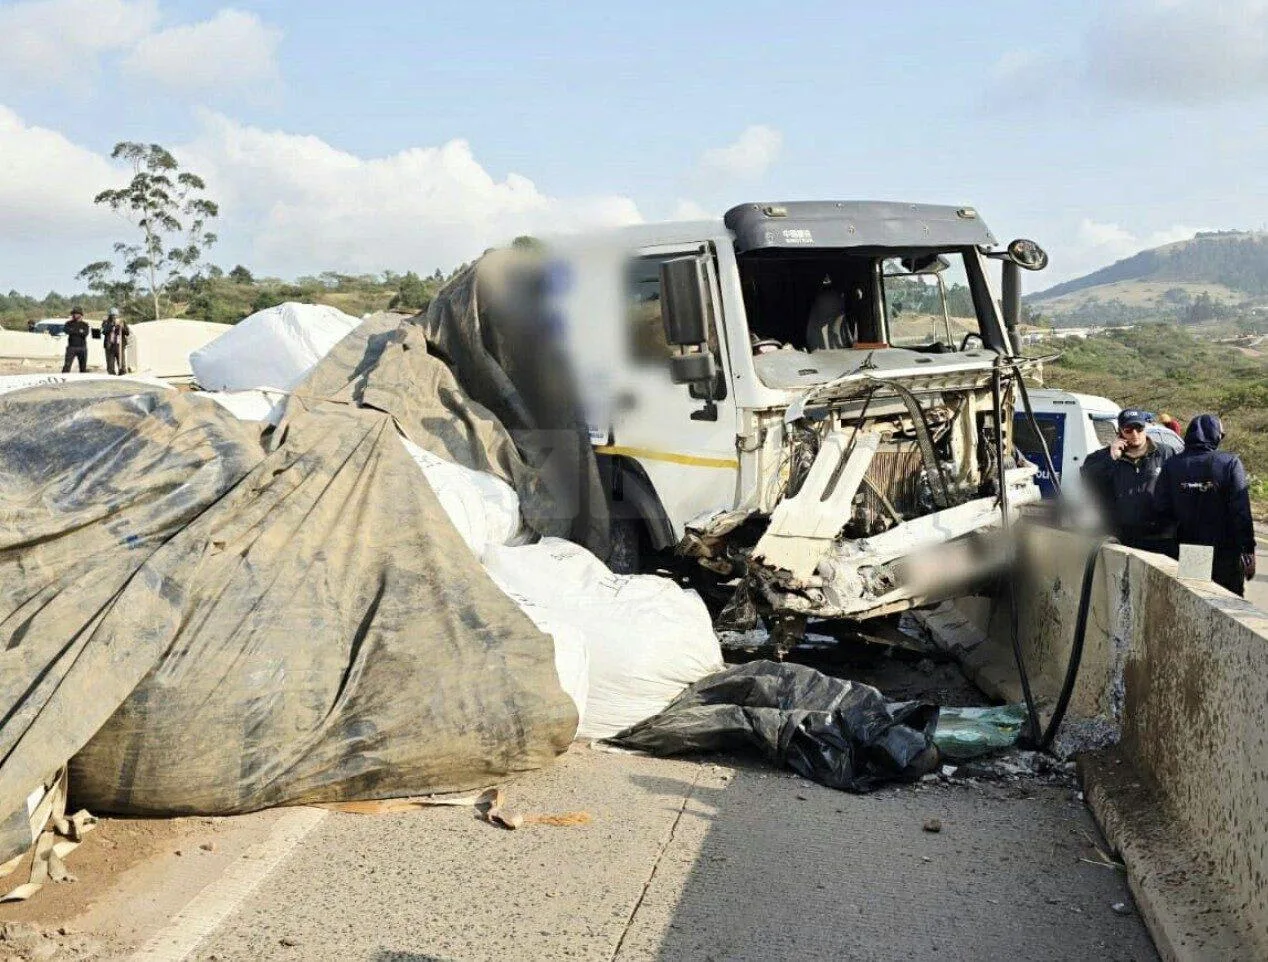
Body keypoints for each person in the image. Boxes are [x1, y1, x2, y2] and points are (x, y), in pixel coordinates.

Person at [1154, 413, 1257, 596]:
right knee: (1227, 603)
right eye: (1221, 435)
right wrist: (1248, 550)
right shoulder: (1229, 463)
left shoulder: (1172, 465)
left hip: (1190, 549)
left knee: (1198, 600)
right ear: (1215, 435)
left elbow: (1162, 509)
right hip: (1225, 551)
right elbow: (1241, 511)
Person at [1080, 409, 1174, 552]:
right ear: (1120, 432)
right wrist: (1111, 459)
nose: (1135, 434)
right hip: (1119, 538)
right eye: (1128, 430)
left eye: (1139, 428)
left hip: (1158, 537)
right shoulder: (1102, 457)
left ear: (1145, 428)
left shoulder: (1165, 453)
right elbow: (1088, 480)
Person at [61, 307, 90, 373]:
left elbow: (85, 333)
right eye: (73, 313)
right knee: (67, 366)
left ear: (80, 315)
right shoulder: (68, 323)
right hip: (71, 347)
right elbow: (66, 330)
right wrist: (79, 331)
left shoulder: (85, 325)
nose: (74, 315)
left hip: (82, 348)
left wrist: (73, 330)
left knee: (83, 367)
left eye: (76, 313)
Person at [102, 307, 122, 375]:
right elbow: (104, 331)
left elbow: (126, 332)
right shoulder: (106, 322)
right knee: (110, 365)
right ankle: (111, 375)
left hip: (118, 345)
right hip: (109, 345)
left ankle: (121, 374)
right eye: (113, 315)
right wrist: (112, 325)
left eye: (116, 315)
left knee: (121, 363)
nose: (114, 317)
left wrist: (120, 326)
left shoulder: (120, 322)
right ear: (110, 316)